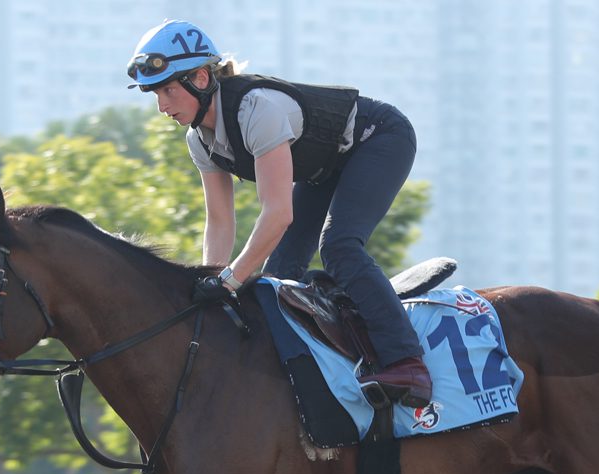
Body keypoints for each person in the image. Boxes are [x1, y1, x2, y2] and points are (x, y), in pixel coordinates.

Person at [127, 19, 431, 408]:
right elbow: (220, 222)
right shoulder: (198, 140)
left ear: (201, 79)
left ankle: (407, 362)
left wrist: (231, 281)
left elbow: (278, 214)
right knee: (279, 275)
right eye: (155, 93)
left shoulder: (257, 110)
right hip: (327, 165)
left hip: (380, 139)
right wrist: (212, 285)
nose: (161, 105)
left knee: (338, 247)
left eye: (168, 90)